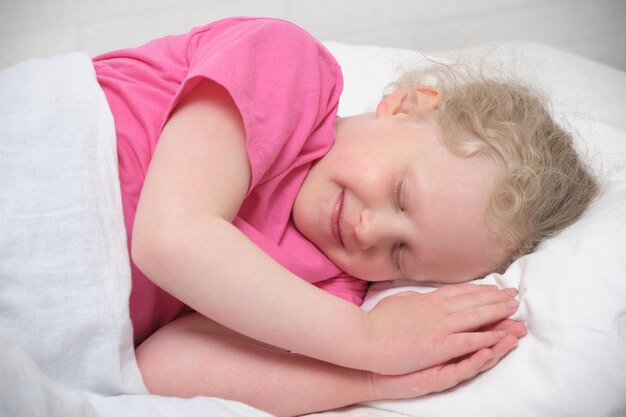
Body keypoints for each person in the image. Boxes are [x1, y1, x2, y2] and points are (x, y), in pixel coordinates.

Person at [92, 17, 598, 416]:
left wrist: (373, 378)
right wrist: (369, 341)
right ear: (407, 105)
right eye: (401, 195)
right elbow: (168, 236)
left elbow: (157, 372)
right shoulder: (287, 68)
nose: (371, 231)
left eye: (401, 256)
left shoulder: (327, 297)